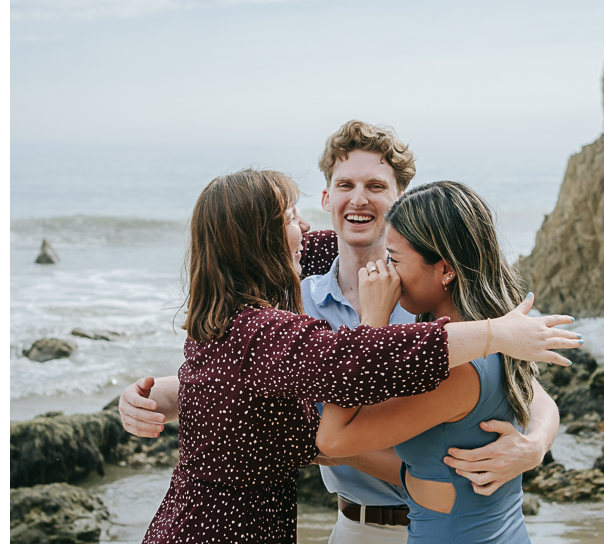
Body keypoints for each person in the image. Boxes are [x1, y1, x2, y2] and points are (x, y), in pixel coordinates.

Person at [123, 163, 580, 543]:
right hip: (256, 530)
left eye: (377, 187)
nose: (304, 227)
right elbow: (249, 379)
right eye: (344, 186)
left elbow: (520, 386)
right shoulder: (291, 312)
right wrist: (150, 395)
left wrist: (536, 443)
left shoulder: (426, 308)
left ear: (400, 199)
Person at [316, 180, 545, 543]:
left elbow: (332, 439)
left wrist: (371, 324)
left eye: (393, 258)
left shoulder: (455, 370)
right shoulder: (494, 331)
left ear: (445, 270)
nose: (384, 272)